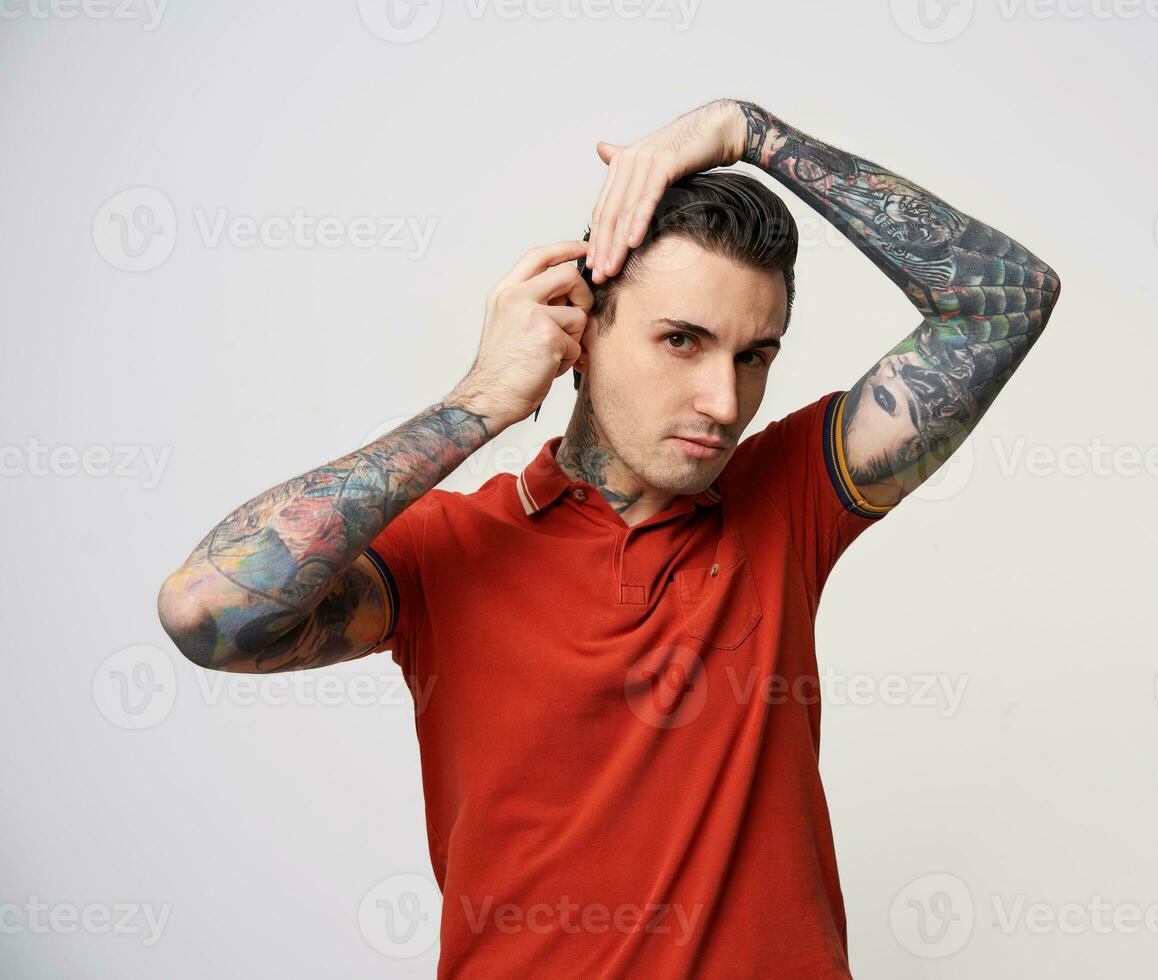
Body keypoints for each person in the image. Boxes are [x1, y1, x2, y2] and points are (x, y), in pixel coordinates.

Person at [156, 98, 1061, 979]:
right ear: (579, 333)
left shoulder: (788, 499)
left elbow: (1003, 302)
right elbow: (208, 611)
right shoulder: (451, 548)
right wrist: (478, 404)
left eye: (755, 356)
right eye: (681, 341)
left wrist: (749, 131)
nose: (724, 401)